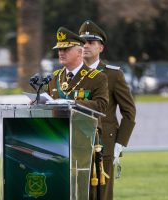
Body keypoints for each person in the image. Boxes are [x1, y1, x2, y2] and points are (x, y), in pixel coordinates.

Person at [79, 20, 136, 200]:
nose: (86, 46)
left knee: (101, 194)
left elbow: (129, 111)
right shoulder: (71, 74)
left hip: (104, 142)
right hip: (77, 140)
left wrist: (120, 143)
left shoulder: (113, 74)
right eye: (82, 42)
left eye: (91, 42)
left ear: (101, 48)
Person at [46, 26, 109, 114]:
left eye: (66, 49)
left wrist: (73, 103)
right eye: (59, 49)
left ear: (79, 52)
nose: (61, 53)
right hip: (58, 127)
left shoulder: (98, 77)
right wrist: (36, 103)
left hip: (85, 126)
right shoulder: (53, 78)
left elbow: (101, 106)